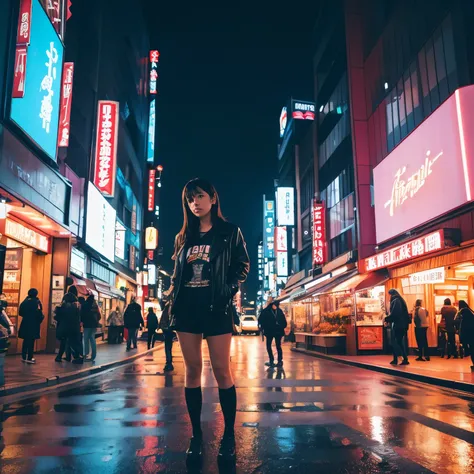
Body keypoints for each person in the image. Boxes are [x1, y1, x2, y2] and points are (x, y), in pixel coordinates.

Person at [169, 178, 249, 462]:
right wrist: (172, 303)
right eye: (190, 199)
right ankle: (196, 435)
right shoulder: (183, 237)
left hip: (216, 307)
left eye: (200, 196)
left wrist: (228, 289)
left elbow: (242, 265)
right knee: (192, 371)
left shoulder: (229, 232)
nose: (195, 203)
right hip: (187, 309)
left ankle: (228, 434)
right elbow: (178, 275)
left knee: (221, 370)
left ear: (213, 198)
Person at [54, 287, 84, 364]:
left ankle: (59, 357)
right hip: (74, 327)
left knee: (63, 342)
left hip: (64, 326)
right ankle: (77, 357)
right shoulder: (76, 306)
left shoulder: (63, 305)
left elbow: (57, 316)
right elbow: (79, 316)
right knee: (74, 342)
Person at [384, 289, 410, 366]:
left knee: (396, 341)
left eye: (389, 295)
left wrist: (387, 318)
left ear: (391, 294)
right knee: (397, 341)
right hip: (401, 324)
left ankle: (402, 359)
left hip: (399, 325)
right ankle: (398, 359)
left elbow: (395, 313)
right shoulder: (399, 300)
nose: (388, 297)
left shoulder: (396, 300)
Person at [18, 289, 44, 364]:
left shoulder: (24, 301)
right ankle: (30, 357)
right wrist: (40, 318)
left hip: (25, 322)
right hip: (33, 323)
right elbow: (39, 312)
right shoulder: (37, 302)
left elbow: (20, 313)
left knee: (25, 339)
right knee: (31, 340)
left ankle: (23, 356)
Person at [259, 300, 287, 367]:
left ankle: (279, 361)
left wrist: (281, 326)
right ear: (272, 305)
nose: (276, 307)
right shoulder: (266, 311)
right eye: (275, 305)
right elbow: (260, 320)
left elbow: (284, 322)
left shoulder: (279, 311)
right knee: (269, 346)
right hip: (270, 331)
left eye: (277, 305)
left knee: (278, 346)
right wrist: (265, 327)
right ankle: (271, 361)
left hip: (277, 331)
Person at [81, 294, 101, 362]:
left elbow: (82, 314)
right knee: (92, 339)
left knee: (85, 339)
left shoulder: (86, 304)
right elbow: (99, 316)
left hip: (87, 325)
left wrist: (82, 321)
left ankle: (85, 355)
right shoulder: (95, 305)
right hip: (94, 325)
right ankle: (93, 355)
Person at [456, 300, 474, 371]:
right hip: (471, 332)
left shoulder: (463, 311)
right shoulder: (470, 311)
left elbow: (457, 321)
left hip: (469, 333)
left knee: (472, 349)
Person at [159, 294, 175, 372]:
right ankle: (169, 362)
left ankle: (169, 362)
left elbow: (165, 318)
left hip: (167, 327)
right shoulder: (170, 305)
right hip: (169, 328)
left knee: (168, 345)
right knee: (169, 345)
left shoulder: (168, 306)